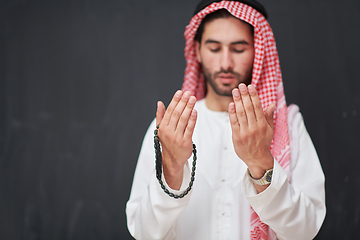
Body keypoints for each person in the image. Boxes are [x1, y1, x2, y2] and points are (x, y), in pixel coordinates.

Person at [126, 0, 326, 239]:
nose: (225, 63)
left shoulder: (288, 126)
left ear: (257, 51)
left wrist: (261, 163)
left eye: (239, 49)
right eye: (214, 48)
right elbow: (143, 233)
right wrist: (171, 169)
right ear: (197, 50)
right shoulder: (171, 128)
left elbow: (305, 232)